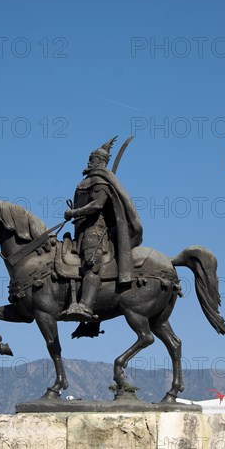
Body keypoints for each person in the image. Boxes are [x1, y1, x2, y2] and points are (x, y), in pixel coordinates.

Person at [60, 138, 143, 322]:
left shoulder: (100, 181)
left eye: (94, 159)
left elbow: (97, 205)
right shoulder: (87, 180)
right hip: (80, 230)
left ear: (101, 162)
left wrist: (74, 212)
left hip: (95, 232)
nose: (90, 161)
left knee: (91, 265)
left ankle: (86, 307)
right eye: (90, 158)